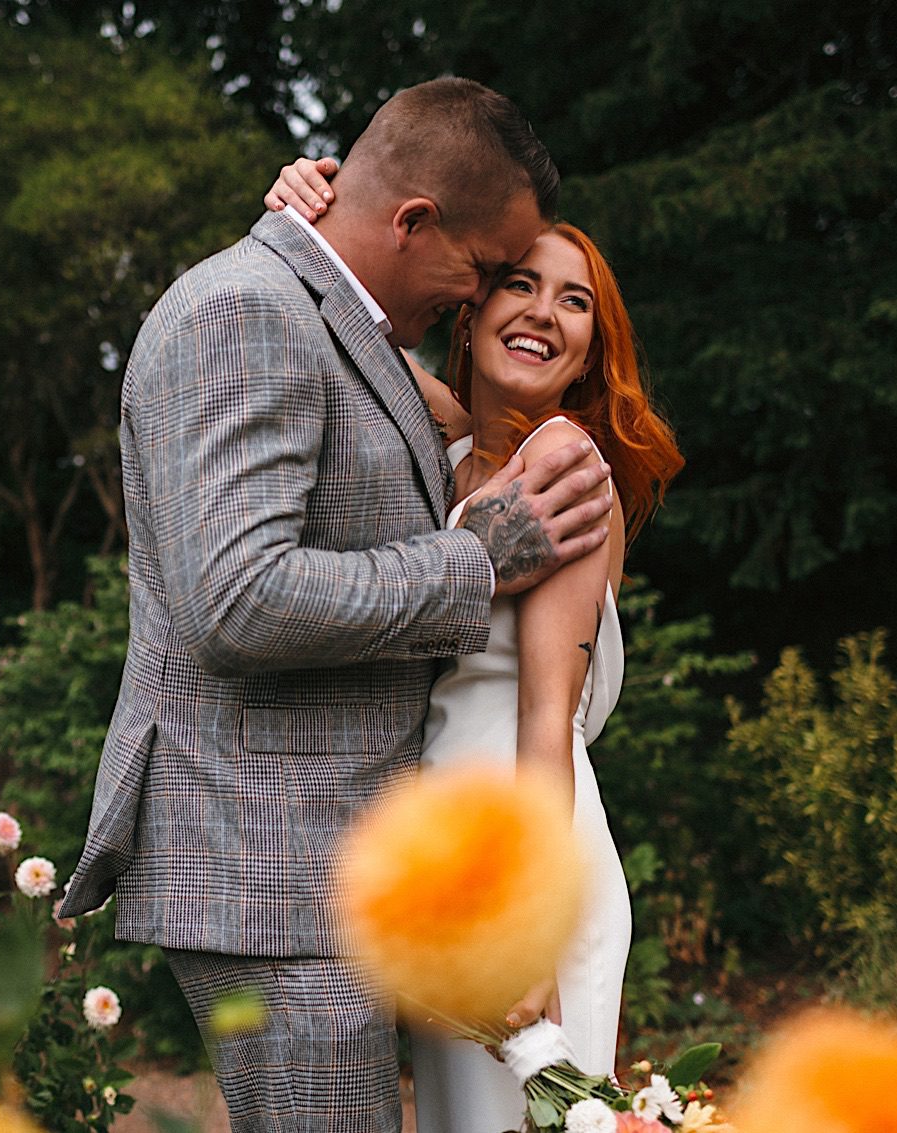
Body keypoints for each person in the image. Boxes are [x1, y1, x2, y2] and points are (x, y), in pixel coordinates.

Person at [57, 79, 615, 1132]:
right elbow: (238, 597)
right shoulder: (243, 312)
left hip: (329, 871)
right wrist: (472, 562)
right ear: (412, 222)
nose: (482, 298)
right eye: (485, 271)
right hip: (272, 870)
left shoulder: (330, 321)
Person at [267, 159, 684, 1129]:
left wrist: (527, 927)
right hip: (442, 875)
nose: (542, 311)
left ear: (589, 348)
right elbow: (342, 331)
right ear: (470, 310)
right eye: (518, 284)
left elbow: (545, 716)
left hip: (523, 857)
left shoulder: (563, 462)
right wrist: (300, 212)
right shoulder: (445, 455)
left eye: (573, 301)